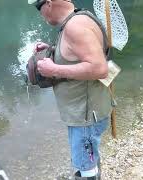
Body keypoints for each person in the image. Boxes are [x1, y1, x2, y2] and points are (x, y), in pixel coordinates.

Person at [28, 0, 113, 179]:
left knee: (85, 166)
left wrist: (54, 70)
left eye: (38, 7)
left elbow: (100, 69)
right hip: (90, 112)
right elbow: (78, 54)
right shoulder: (79, 17)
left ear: (49, 4)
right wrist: (53, 50)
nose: (39, 13)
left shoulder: (74, 27)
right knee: (89, 159)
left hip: (85, 117)